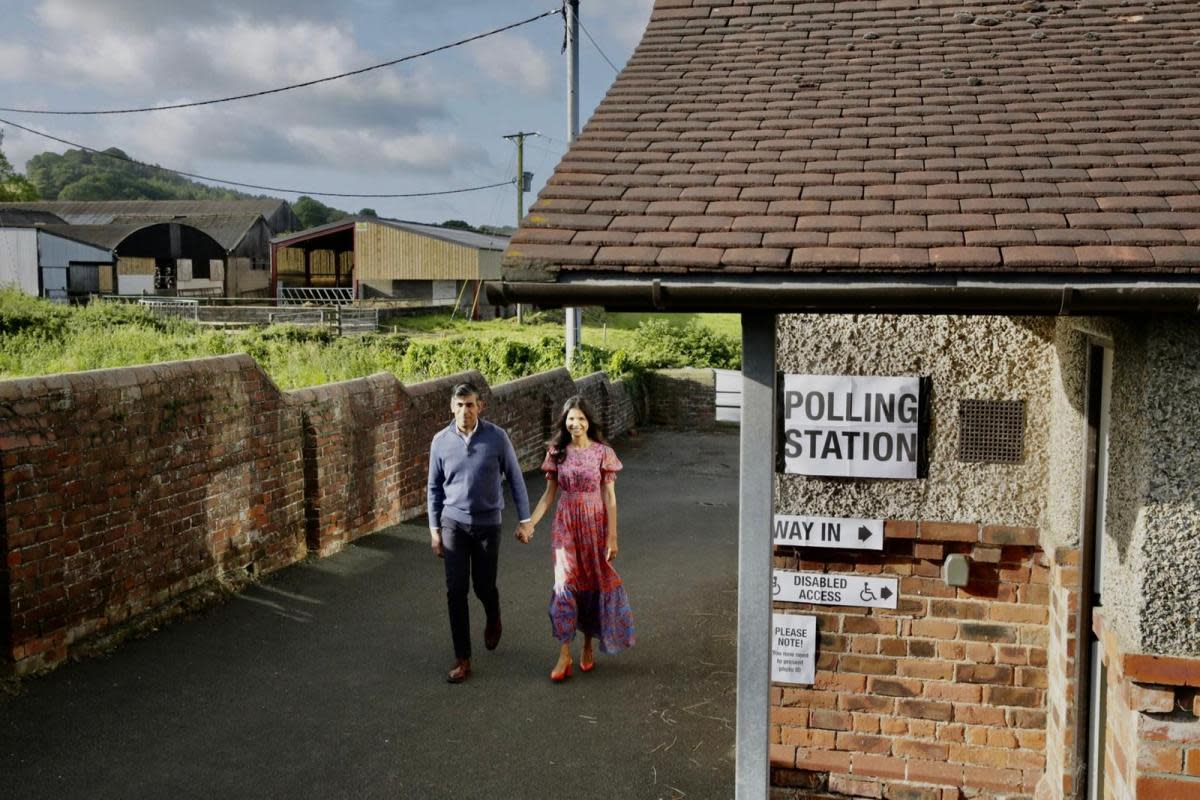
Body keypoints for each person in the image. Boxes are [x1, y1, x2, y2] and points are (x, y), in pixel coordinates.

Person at [522, 395, 635, 681]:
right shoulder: (557, 452)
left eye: (581, 418)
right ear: (564, 421)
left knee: (592, 584)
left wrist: (612, 536)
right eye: (571, 418)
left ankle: (587, 644)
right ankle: (564, 654)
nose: (576, 423)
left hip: (595, 524)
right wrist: (530, 524)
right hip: (566, 525)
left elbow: (610, 498)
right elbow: (548, 496)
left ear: (589, 421)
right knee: (565, 584)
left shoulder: (602, 453)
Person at [428, 382, 533, 684]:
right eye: (459, 405)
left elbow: (515, 478)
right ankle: (463, 658)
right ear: (452, 407)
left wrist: (525, 520)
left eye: (470, 404)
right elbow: (434, 488)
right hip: (453, 524)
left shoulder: (497, 438)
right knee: (455, 590)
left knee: (483, 586)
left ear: (480, 406)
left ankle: (493, 615)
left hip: (488, 524)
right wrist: (435, 531)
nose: (465, 411)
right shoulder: (440, 441)